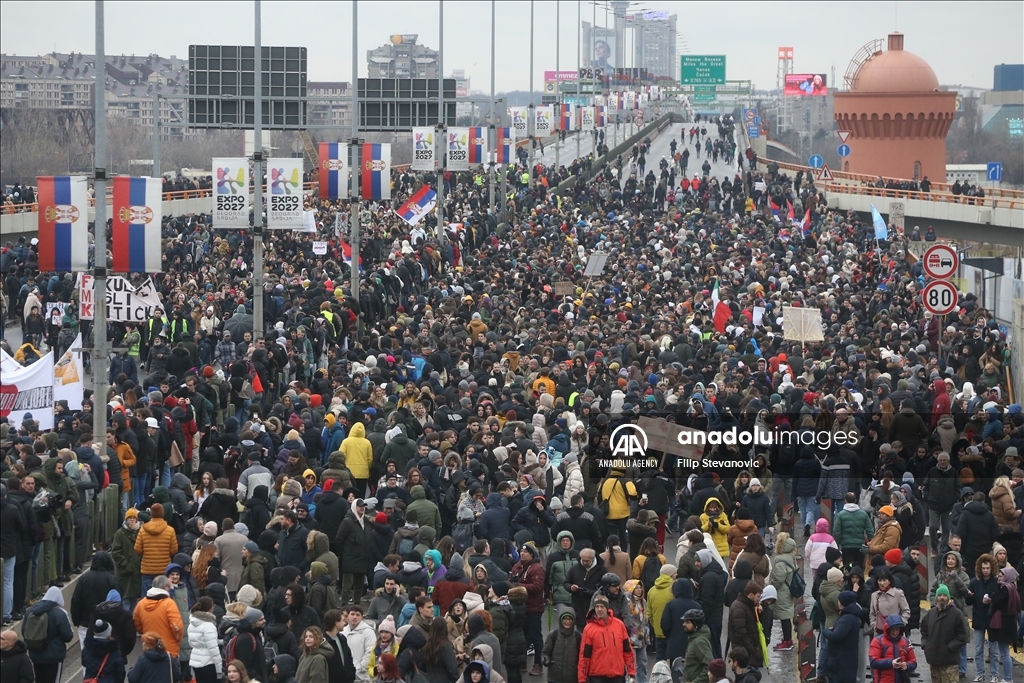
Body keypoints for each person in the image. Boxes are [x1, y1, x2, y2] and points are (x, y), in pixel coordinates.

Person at [578, 594, 636, 683]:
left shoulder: (619, 625)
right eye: (597, 607)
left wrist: (631, 673)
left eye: (602, 606)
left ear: (607, 608)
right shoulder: (589, 629)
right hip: (597, 676)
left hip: (617, 675)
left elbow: (628, 651)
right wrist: (582, 679)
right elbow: (584, 657)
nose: (599, 609)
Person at [920, 584, 968, 683]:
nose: (942, 598)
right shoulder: (931, 613)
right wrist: (926, 644)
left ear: (948, 597)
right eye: (940, 595)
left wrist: (950, 647)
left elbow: (963, 635)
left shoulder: (957, 614)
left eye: (944, 595)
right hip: (934, 660)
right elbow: (924, 630)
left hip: (949, 661)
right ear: (936, 597)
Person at [25, 586, 73, 683]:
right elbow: (68, 636)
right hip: (54, 656)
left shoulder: (30, 611)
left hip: (35, 654)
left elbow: (24, 631)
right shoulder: (59, 613)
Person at [134, 574, 185, 661]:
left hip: (149, 649)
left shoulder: (141, 604)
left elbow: (137, 625)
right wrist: (177, 638)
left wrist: (147, 634)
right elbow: (177, 627)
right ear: (165, 587)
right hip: (168, 650)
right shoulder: (169, 603)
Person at [768, 533, 797, 651]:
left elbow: (779, 577)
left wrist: (771, 586)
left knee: (784, 617)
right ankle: (787, 640)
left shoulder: (780, 560)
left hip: (781, 592)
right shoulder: (791, 557)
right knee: (786, 615)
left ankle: (787, 641)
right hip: (788, 590)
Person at [869, 615, 917, 683]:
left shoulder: (906, 642)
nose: (895, 633)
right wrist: (891, 663)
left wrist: (907, 665)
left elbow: (913, 662)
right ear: (888, 629)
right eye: (893, 630)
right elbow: (873, 662)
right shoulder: (877, 641)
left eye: (897, 630)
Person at [188, 597, 223, 683]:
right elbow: (213, 648)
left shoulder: (192, 623)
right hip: (208, 663)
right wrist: (219, 669)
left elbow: (193, 643)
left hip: (195, 660)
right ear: (210, 608)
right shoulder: (209, 625)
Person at [542, 608, 580, 683]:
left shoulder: (578, 637)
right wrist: (546, 660)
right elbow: (545, 652)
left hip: (572, 678)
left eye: (570, 619)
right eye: (565, 619)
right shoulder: (553, 635)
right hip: (554, 678)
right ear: (561, 620)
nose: (567, 621)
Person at [82, 618, 126, 683]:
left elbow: (84, 663)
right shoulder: (114, 649)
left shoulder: (87, 647)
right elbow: (120, 671)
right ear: (108, 633)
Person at [680, 609, 713, 683]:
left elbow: (710, 665)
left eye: (688, 622)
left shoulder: (699, 642)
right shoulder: (694, 638)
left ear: (696, 625)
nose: (684, 624)